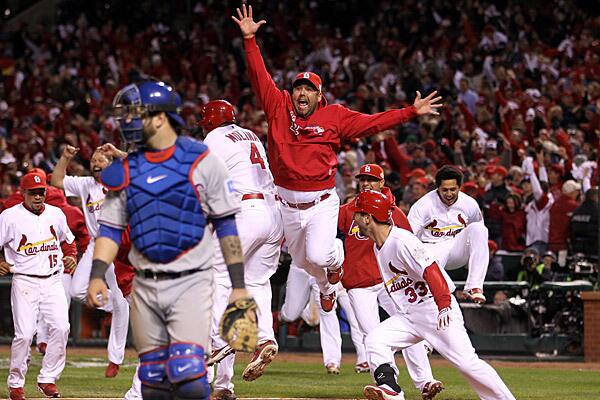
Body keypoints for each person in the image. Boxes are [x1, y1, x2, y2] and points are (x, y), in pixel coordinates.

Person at [232, 3, 442, 313]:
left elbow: (374, 122)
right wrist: (250, 41)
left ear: (319, 95)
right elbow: (259, 75)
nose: (302, 93)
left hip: (320, 202)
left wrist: (410, 112)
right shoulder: (279, 106)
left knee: (318, 256)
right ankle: (327, 284)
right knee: (301, 261)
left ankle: (335, 260)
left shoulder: (335, 116)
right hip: (287, 204)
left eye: (309, 89)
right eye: (298, 88)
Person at [86, 80, 249, 400]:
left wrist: (238, 283)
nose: (129, 123)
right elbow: (109, 228)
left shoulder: (202, 159)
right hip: (148, 279)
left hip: (190, 276)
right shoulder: (129, 169)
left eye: (137, 116)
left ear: (160, 118)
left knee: (182, 371)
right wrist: (95, 275)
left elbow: (226, 225)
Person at [349, 190, 515, 400]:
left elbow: (431, 270)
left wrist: (444, 304)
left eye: (357, 214)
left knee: (467, 363)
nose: (353, 219)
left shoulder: (401, 240)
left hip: (434, 310)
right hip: (410, 315)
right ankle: (391, 389)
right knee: (375, 340)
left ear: (367, 217)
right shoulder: (378, 245)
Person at [197, 99, 284, 400]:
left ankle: (221, 341)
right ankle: (263, 340)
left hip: (245, 211)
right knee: (256, 282)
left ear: (208, 121)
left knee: (217, 275)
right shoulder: (250, 134)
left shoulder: (213, 139)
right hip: (274, 214)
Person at [338, 163, 442, 399]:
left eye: (371, 179)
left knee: (410, 327)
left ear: (382, 183)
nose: (366, 183)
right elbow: (328, 236)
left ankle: (425, 381)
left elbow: (411, 247)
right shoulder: (348, 211)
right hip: (359, 283)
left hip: (389, 280)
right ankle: (387, 382)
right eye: (362, 179)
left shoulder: (393, 212)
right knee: (371, 334)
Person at [51, 144, 130, 378]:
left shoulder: (122, 180)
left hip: (119, 242)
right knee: (77, 290)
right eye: (93, 160)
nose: (95, 163)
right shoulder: (86, 184)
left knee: (121, 297)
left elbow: (142, 164)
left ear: (111, 164)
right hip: (97, 243)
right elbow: (57, 181)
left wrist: (117, 153)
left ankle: (115, 358)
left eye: (101, 160)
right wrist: (65, 157)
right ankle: (113, 305)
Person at [0, 171, 77, 400]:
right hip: (24, 280)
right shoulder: (9, 216)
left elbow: (69, 242)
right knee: (24, 335)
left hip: (53, 280)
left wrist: (71, 256)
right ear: (23, 193)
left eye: (41, 192)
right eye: (32, 193)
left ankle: (47, 378)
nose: (37, 196)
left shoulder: (56, 213)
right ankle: (16, 383)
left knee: (62, 328)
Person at [408, 165, 489, 303]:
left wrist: (471, 256)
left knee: (479, 229)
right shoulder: (423, 205)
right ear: (437, 187)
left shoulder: (469, 203)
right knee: (435, 292)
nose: (449, 194)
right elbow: (409, 236)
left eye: (453, 189)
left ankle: (473, 287)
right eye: (444, 190)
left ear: (459, 187)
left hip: (456, 246)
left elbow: (476, 235)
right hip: (431, 248)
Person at [570, 187, 599, 255]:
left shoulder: (577, 210)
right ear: (595, 196)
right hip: (593, 246)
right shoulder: (597, 209)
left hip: (577, 246)